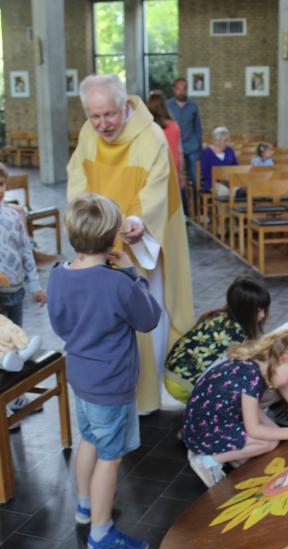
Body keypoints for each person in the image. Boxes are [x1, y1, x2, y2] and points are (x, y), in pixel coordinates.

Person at [67, 73, 194, 416]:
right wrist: (89, 225)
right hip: (100, 241)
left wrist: (138, 223)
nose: (102, 123)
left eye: (109, 114)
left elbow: (156, 189)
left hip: (136, 245)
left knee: (143, 317)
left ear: (125, 105)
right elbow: (78, 180)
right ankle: (112, 393)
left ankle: (146, 394)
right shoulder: (87, 136)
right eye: (95, 116)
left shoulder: (150, 137)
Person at [47, 193, 161, 549]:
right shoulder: (118, 283)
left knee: (90, 439)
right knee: (111, 457)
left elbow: (60, 324)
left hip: (80, 376)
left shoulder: (57, 275)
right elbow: (149, 319)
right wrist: (131, 271)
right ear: (113, 238)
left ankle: (84, 507)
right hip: (111, 383)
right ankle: (101, 532)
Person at [182, 330, 288, 487]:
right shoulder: (251, 376)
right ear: (283, 359)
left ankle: (229, 455)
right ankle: (207, 461)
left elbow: (254, 411)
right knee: (268, 443)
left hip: (202, 425)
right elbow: (254, 430)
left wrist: (277, 430)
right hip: (201, 432)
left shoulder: (253, 367)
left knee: (271, 435)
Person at [164, 276, 271, 403]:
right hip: (184, 388)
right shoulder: (238, 337)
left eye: (264, 309)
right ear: (245, 311)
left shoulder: (217, 316)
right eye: (258, 311)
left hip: (169, 376)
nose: (263, 315)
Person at [0, 162, 46, 425]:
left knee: (15, 339)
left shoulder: (13, 216)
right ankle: (3, 405)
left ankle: (15, 397)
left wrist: (35, 286)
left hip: (15, 290)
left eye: (1, 184)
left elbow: (27, 252)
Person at [166, 78, 203, 212]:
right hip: (174, 148)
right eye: (179, 89)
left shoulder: (193, 106)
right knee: (176, 178)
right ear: (174, 89)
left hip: (191, 147)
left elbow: (198, 128)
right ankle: (179, 208)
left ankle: (197, 208)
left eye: (184, 88)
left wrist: (199, 147)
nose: (182, 91)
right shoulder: (167, 105)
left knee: (194, 178)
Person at [146, 89, 186, 206]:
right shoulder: (174, 125)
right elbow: (180, 153)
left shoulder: (148, 127)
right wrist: (182, 174)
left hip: (154, 172)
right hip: (172, 169)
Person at [200, 126, 238, 195]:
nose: (228, 143)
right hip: (212, 182)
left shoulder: (230, 150)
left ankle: (235, 206)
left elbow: (236, 167)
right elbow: (204, 172)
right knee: (224, 191)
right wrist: (221, 179)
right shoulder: (207, 152)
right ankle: (224, 206)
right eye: (225, 140)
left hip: (229, 181)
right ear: (216, 141)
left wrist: (229, 180)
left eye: (228, 140)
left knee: (238, 190)